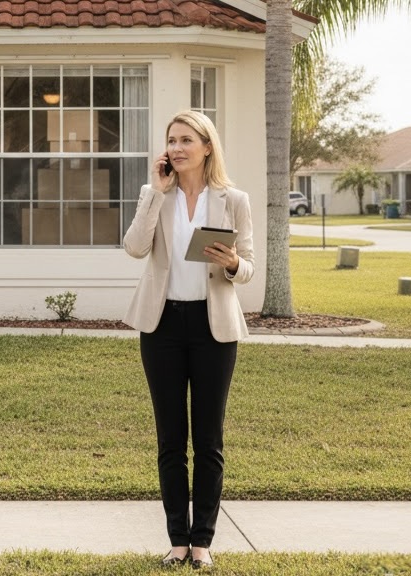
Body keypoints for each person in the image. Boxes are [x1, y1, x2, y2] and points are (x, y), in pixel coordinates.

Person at [122, 110, 254, 569]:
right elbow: (135, 247)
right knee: (170, 438)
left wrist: (234, 262)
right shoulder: (155, 195)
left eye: (186, 140)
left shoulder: (233, 199)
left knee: (209, 440)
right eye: (171, 140)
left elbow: (249, 268)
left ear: (207, 147)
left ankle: (203, 544)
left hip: (213, 329)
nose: (176, 148)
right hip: (162, 327)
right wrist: (154, 196)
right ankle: (177, 540)